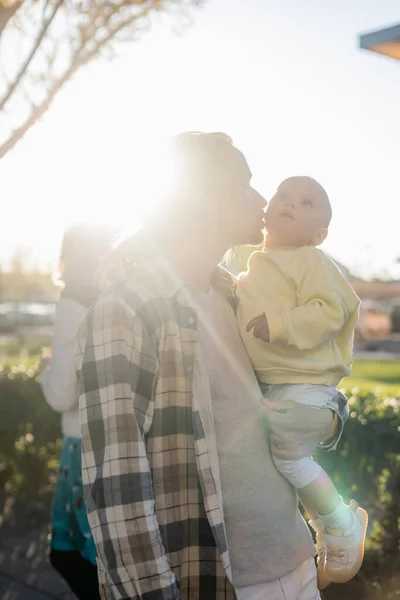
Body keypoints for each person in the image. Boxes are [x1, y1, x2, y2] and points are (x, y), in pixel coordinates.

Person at [76, 133, 348, 600]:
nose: (264, 201)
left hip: (299, 565)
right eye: (246, 185)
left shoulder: (236, 296)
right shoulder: (125, 311)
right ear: (202, 199)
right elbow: (118, 494)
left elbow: (307, 378)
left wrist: (329, 417)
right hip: (222, 585)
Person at [236, 176, 368, 590]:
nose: (291, 204)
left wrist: (282, 322)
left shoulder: (312, 261)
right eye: (284, 196)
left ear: (319, 234)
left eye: (306, 202)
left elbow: (333, 310)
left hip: (307, 379)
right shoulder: (253, 264)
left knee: (290, 458)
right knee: (282, 458)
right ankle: (325, 526)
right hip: (275, 382)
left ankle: (341, 523)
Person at [40, 224, 116, 600]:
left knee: (70, 555)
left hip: (81, 446)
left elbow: (62, 393)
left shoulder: (74, 301)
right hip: (117, 442)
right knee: (107, 559)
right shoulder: (116, 295)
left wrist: (44, 370)